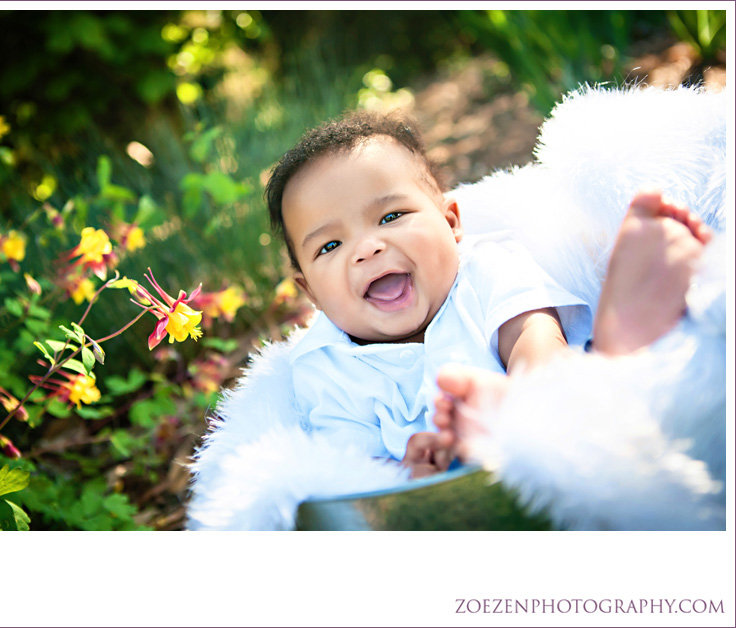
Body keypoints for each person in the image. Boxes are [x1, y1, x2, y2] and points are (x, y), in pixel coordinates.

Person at [265, 110, 711, 477]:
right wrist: (407, 469)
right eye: (329, 246)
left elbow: (533, 336)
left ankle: (626, 326)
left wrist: (527, 393)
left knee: (590, 386)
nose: (367, 248)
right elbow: (350, 470)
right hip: (454, 488)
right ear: (312, 293)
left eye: (390, 216)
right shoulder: (323, 367)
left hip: (551, 414)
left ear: (452, 222)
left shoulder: (484, 267)